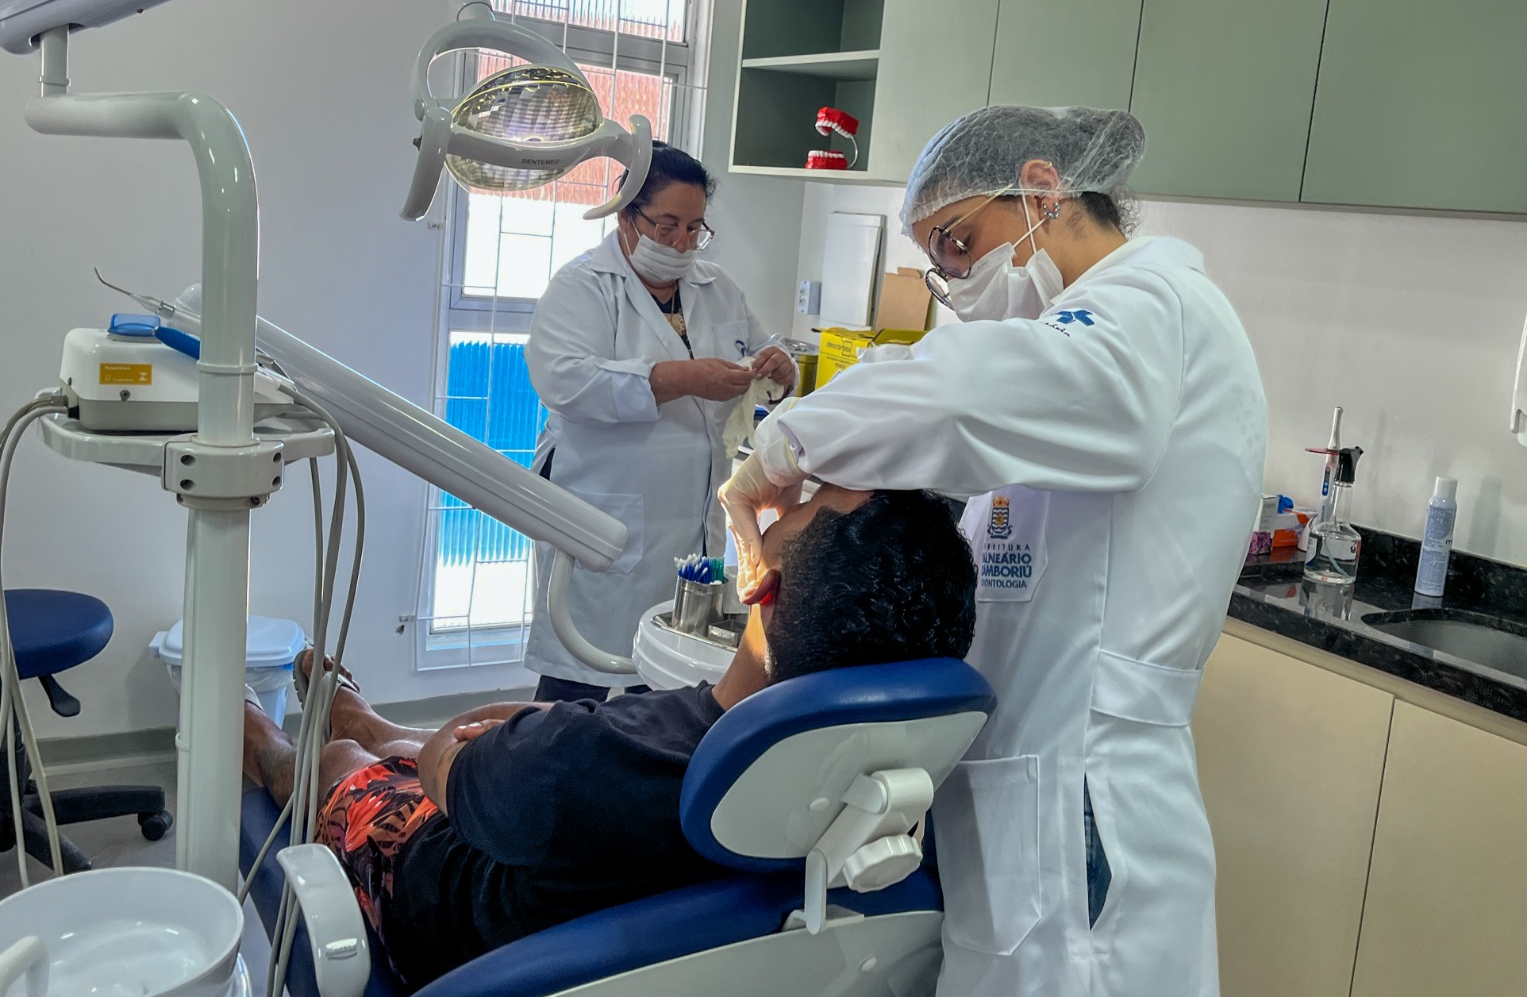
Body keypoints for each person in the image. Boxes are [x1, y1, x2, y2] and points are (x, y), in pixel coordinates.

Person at [721, 106, 1268, 997]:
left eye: (959, 241)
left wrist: (788, 444)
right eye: (942, 260)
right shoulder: (1072, 340)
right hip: (1030, 779)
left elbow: (960, 398)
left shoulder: (1152, 306)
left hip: (1083, 783)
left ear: (1043, 191)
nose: (957, 276)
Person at [242, 486, 977, 991]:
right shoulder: (874, 782)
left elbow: (448, 766)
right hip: (565, 844)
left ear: (759, 584)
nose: (779, 504)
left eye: (797, 507)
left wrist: (460, 750)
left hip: (449, 902)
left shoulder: (580, 760)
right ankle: (373, 722)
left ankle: (265, 733)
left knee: (341, 760)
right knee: (429, 740)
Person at [522, 142, 796, 703]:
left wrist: (780, 365)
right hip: (605, 512)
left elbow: (763, 347)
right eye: (666, 225)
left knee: (665, 685)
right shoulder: (582, 287)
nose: (681, 243)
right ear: (627, 216)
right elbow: (564, 380)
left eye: (695, 228)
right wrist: (681, 378)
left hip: (691, 523)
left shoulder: (717, 288)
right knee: (577, 684)